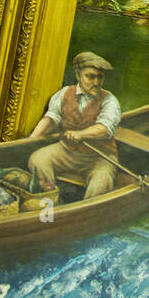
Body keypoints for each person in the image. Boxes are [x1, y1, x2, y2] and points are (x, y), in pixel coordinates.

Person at [26, 52, 122, 200]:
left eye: (100, 77)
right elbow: (52, 117)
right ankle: (51, 199)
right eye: (90, 76)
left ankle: (85, 215)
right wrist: (32, 139)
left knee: (101, 182)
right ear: (78, 75)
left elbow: (105, 128)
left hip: (99, 157)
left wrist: (81, 134)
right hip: (67, 152)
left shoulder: (109, 100)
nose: (96, 82)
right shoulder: (64, 93)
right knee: (38, 160)